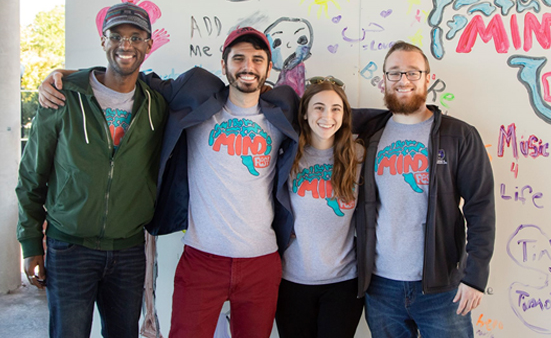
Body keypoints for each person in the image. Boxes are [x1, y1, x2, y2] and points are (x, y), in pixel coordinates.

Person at [39, 27, 299, 338]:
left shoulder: (285, 111)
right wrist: (66, 75)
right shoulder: (196, 98)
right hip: (202, 259)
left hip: (261, 260)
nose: (248, 66)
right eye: (239, 58)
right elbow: (131, 77)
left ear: (269, 68)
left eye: (258, 60)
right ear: (224, 64)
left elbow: (334, 118)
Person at [16, 2, 168, 338]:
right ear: (103, 41)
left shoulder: (157, 103)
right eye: (116, 36)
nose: (125, 45)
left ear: (148, 44)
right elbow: (31, 175)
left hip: (128, 251)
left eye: (136, 37)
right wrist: (30, 243)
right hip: (69, 248)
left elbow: (204, 87)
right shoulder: (63, 97)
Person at [353, 41, 496, 338]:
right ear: (384, 80)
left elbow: (480, 208)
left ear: (428, 79)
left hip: (441, 289)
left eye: (412, 72)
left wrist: (476, 276)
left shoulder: (459, 136)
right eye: (394, 73)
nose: (403, 80)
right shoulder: (371, 133)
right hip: (380, 287)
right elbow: (325, 111)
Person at [275, 77, 365, 338]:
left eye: (336, 108)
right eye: (319, 107)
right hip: (292, 280)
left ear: (345, 114)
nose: (328, 116)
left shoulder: (357, 156)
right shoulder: (288, 155)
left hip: (344, 283)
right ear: (304, 113)